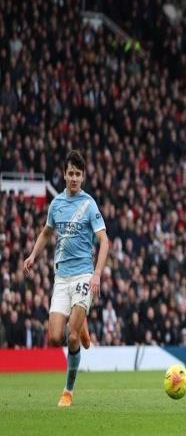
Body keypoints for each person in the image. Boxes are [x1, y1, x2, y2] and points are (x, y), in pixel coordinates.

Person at [24, 150, 109, 406]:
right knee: (54, 337)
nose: (74, 178)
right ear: (64, 174)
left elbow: (104, 240)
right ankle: (81, 323)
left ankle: (68, 391)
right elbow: (46, 232)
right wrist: (32, 255)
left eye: (78, 174)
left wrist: (97, 274)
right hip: (61, 277)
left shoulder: (89, 204)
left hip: (83, 274)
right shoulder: (56, 204)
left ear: (83, 177)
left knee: (71, 337)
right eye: (70, 173)